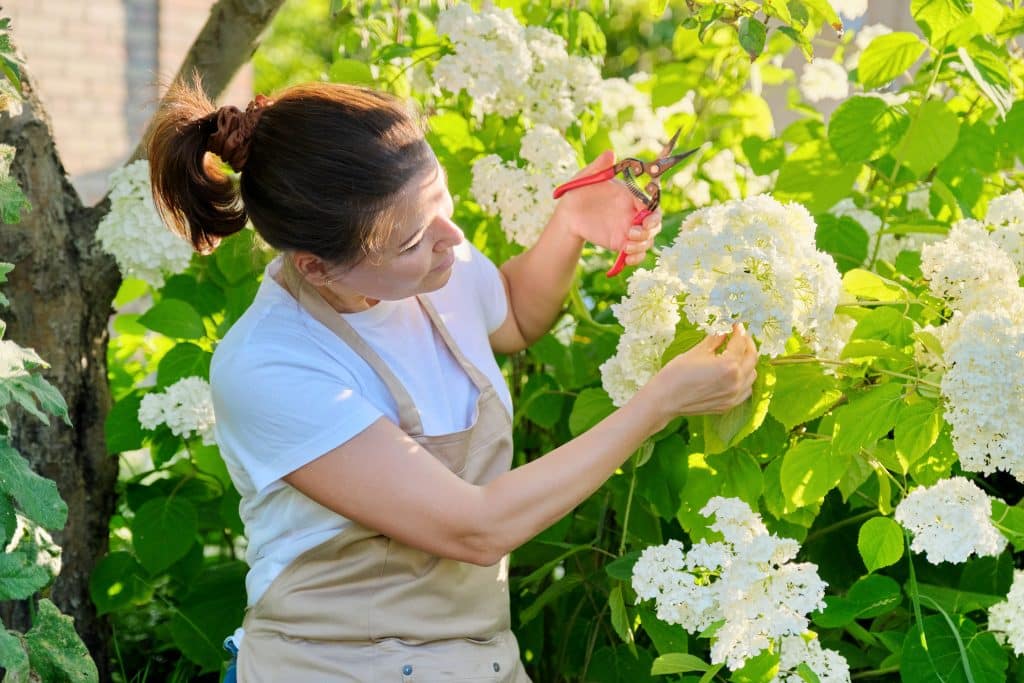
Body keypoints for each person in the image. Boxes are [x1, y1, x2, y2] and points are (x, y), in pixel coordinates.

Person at [146, 78, 758, 682]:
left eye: (442, 200)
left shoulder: (438, 267)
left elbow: (513, 312)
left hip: (478, 657)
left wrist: (570, 224)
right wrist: (657, 405)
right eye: (414, 238)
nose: (453, 240)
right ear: (317, 266)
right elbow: (477, 527)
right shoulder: (271, 365)